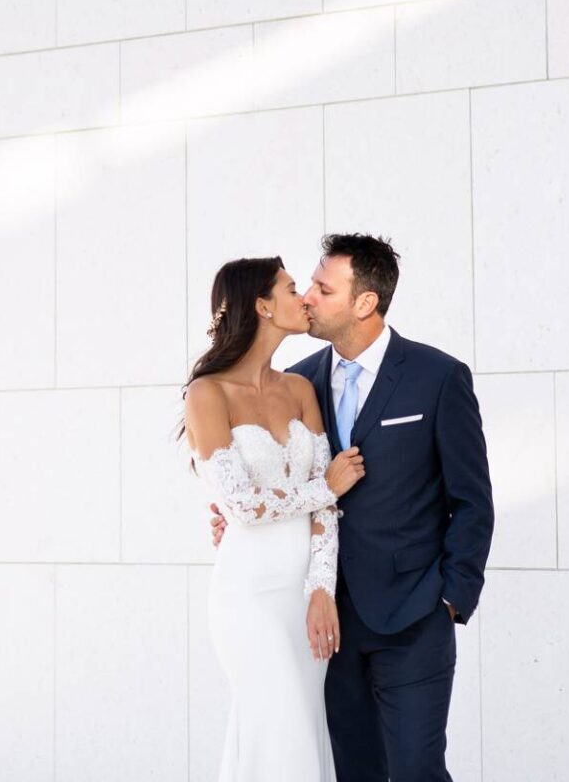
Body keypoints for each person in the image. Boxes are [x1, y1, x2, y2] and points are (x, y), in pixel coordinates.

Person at [292, 235, 493, 782]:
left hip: (414, 618)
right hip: (329, 626)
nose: (306, 295)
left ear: (365, 303)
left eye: (322, 287)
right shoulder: (298, 380)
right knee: (356, 772)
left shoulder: (438, 377)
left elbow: (472, 501)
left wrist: (451, 597)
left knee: (416, 772)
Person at [185, 257, 365, 781]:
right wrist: (321, 486)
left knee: (298, 730)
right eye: (291, 288)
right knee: (279, 722)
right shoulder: (207, 393)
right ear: (264, 306)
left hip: (302, 597)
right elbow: (240, 504)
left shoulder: (300, 389)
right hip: (248, 596)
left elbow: (328, 509)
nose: (304, 296)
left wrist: (321, 590)